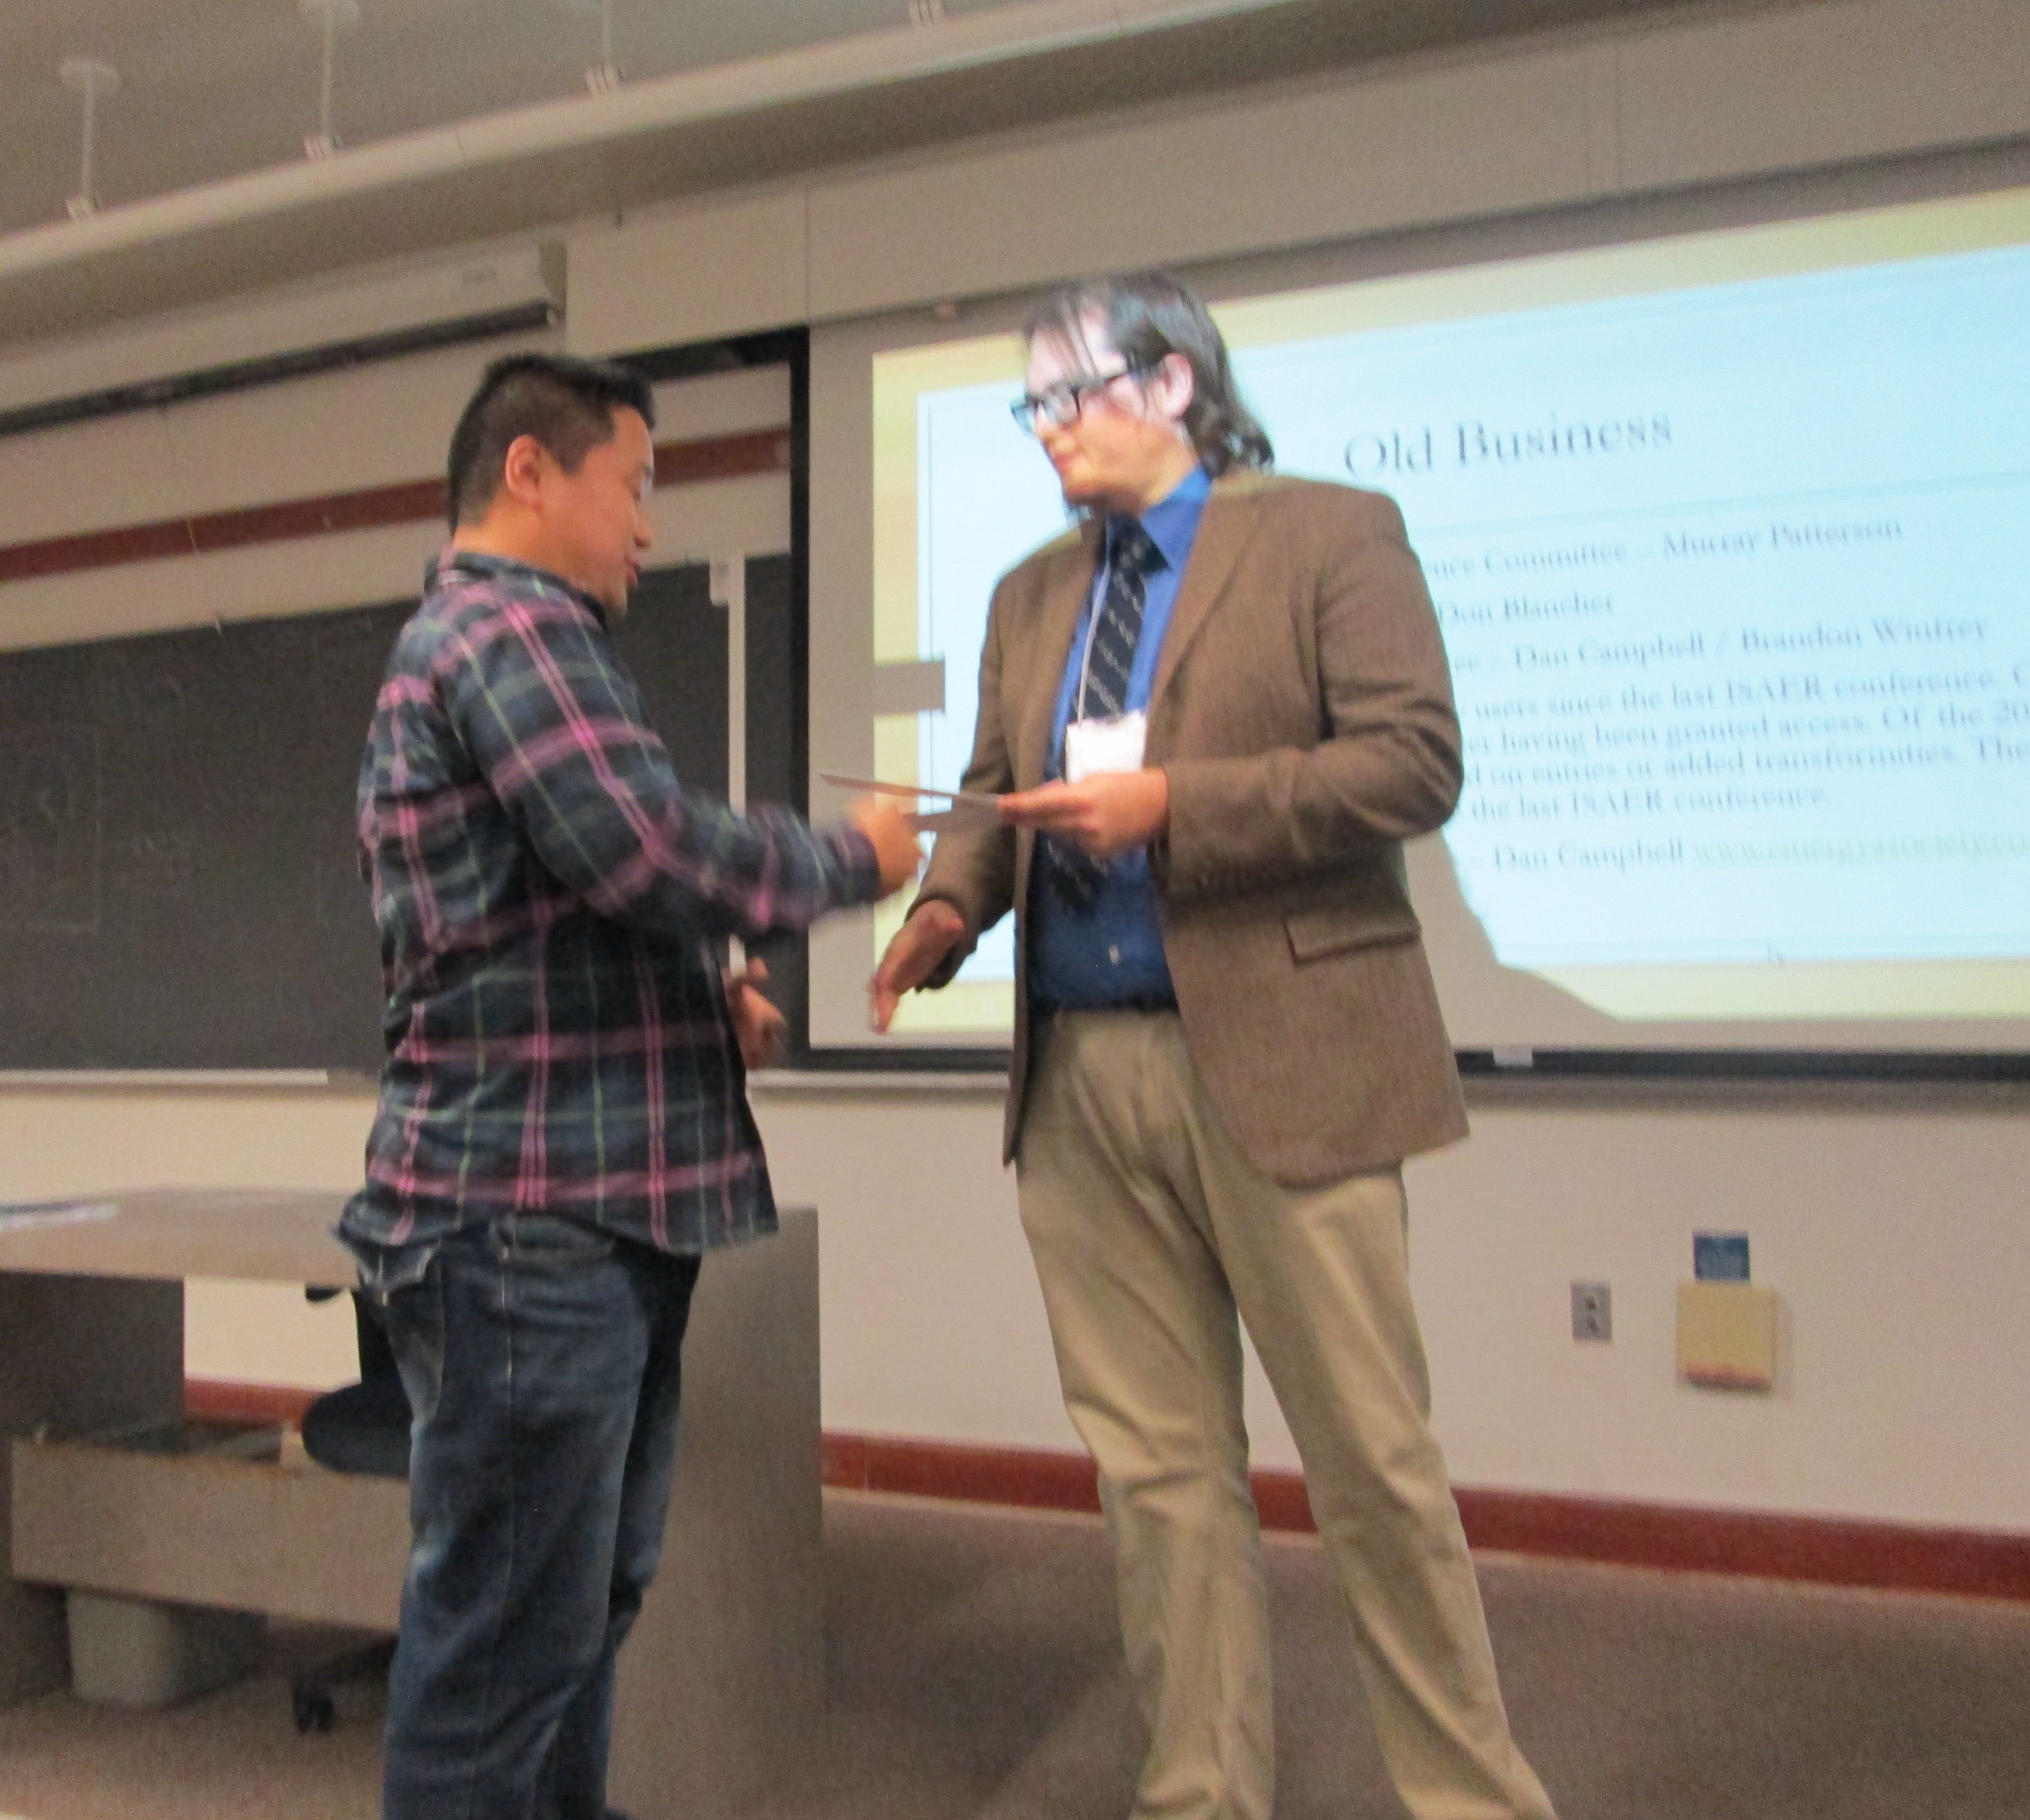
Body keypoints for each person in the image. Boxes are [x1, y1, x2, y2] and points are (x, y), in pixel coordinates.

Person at [870, 272, 1556, 1820]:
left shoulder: (1330, 535)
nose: (1048, 428)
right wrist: (945, 913)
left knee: (1373, 1467)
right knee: (1158, 1481)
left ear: (1175, 383)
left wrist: (1176, 804)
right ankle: (1200, 1797)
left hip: (1287, 1058)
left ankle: (1471, 1800)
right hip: (1078, 1084)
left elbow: (1413, 764)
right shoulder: (1027, 596)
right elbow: (990, 794)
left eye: (1070, 394)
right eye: (1031, 406)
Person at [339, 351, 919, 1820]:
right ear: (530, 471)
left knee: (564, 1623)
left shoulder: (492, 641)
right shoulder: (511, 629)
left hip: (565, 1217)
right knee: (503, 1657)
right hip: (533, 1226)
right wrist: (858, 859)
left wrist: (699, 994)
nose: (649, 526)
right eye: (635, 485)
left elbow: (542, 910)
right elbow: (645, 848)